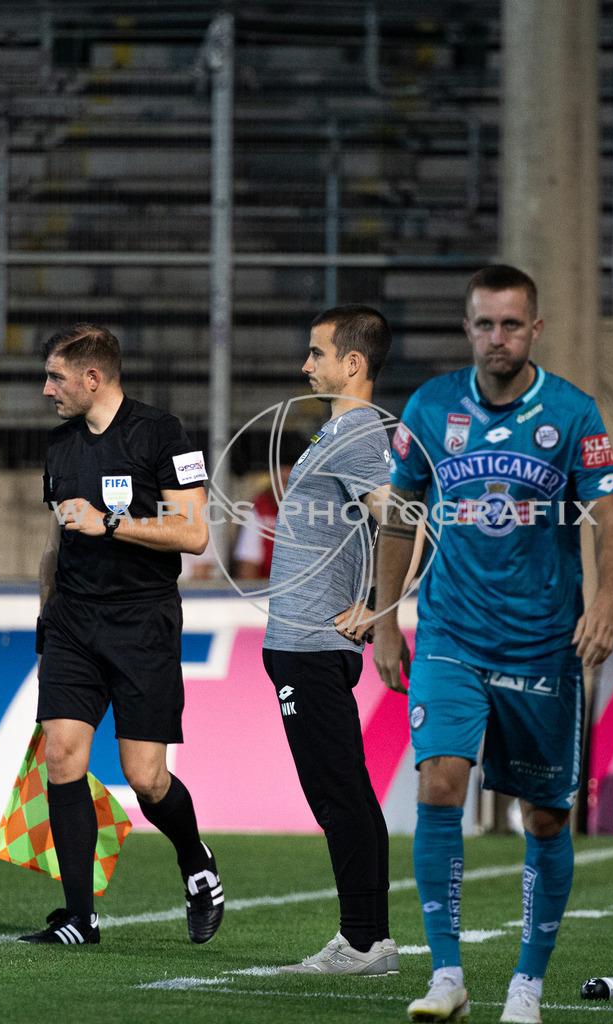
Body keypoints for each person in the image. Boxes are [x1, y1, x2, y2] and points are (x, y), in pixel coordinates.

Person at [373, 266, 613, 1022]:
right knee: (440, 783)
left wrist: (608, 602)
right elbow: (398, 513)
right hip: (451, 631)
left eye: (511, 325)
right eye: (484, 324)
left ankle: (527, 985)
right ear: (467, 328)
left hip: (544, 642)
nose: (497, 338)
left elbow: (610, 521)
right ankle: (446, 977)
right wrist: (387, 616)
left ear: (535, 330)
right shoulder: (431, 406)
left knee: (544, 818)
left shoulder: (574, 414)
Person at [20, 323, 224, 946]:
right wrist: (44, 614)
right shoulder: (59, 445)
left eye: (56, 376)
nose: (46, 388)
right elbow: (57, 541)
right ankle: (80, 917)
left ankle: (196, 861)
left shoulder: (163, 434)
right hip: (73, 623)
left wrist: (110, 523)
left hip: (142, 624)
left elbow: (194, 534)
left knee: (146, 779)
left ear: (92, 377)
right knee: (61, 756)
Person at [262, 304, 398, 975]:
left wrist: (378, 604)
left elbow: (402, 517)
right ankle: (369, 939)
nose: (305, 366)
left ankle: (364, 942)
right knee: (347, 790)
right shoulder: (342, 432)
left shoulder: (354, 433)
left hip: (313, 644)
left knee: (337, 793)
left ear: (353, 363)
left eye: (317, 353)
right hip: (309, 642)